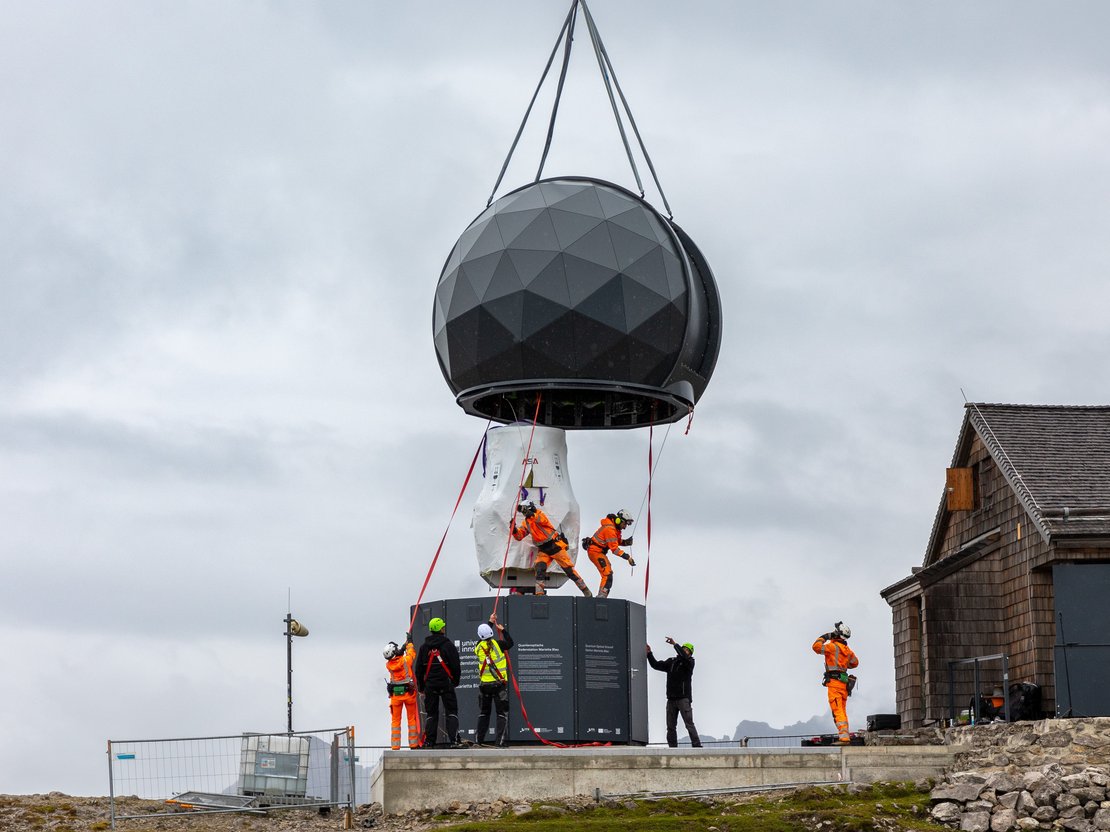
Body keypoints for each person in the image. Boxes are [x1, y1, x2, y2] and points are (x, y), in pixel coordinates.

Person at [511, 501, 592, 596]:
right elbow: (519, 536)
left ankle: (586, 591)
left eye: (525, 509)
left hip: (555, 546)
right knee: (539, 568)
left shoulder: (539, 514)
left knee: (569, 571)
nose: (524, 512)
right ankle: (539, 594)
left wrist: (531, 513)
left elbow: (541, 520)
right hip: (544, 550)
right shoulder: (526, 523)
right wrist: (514, 529)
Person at [647, 637, 702, 748]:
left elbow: (685, 658)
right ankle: (672, 748)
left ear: (690, 653)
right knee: (670, 726)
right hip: (671, 699)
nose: (685, 651)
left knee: (689, 724)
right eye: (684, 649)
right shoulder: (671, 662)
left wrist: (675, 644)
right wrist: (649, 654)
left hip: (683, 699)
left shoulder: (690, 662)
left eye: (687, 650)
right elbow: (656, 665)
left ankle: (697, 746)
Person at [415, 617, 461, 748]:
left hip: (430, 685)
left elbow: (419, 669)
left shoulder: (424, 647)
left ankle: (429, 742)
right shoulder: (448, 645)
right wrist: (455, 681)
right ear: (440, 629)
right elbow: (456, 665)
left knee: (431, 713)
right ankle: (454, 741)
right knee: (451, 711)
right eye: (443, 626)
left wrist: (421, 687)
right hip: (446, 684)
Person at [812, 621, 859, 743]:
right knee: (842, 710)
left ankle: (844, 737)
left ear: (837, 634)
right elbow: (855, 663)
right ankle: (844, 735)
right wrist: (843, 664)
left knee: (837, 710)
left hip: (834, 683)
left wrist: (826, 636)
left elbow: (815, 647)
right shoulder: (847, 650)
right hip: (843, 683)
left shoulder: (832, 647)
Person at [473, 611, 514, 747]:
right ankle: (499, 742)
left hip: (485, 685)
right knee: (501, 713)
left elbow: (483, 638)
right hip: (498, 685)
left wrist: (490, 622)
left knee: (484, 713)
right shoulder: (498, 644)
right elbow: (510, 643)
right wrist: (503, 630)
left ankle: (479, 740)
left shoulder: (478, 647)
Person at [584, 510, 636, 598]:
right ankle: (601, 597)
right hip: (595, 552)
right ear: (619, 521)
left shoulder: (615, 529)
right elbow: (614, 549)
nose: (625, 527)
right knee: (607, 574)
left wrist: (626, 542)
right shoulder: (610, 529)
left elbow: (616, 541)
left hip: (598, 552)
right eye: (625, 524)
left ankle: (602, 596)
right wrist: (627, 557)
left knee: (608, 574)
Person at [383, 634, 420, 750]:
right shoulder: (405, 661)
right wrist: (409, 644)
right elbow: (412, 654)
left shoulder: (389, 665)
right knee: (411, 719)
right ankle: (413, 744)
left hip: (396, 697)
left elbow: (397, 655)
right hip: (409, 695)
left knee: (395, 721)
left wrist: (402, 647)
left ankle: (395, 746)